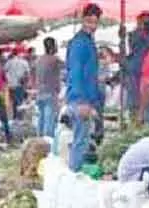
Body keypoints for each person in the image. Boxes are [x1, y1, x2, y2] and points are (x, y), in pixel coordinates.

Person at [65, 3, 103, 172]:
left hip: (86, 98)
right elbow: (76, 72)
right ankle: (73, 177)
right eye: (89, 22)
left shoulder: (88, 41)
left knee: (82, 140)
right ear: (83, 20)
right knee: (80, 141)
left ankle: (74, 175)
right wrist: (81, 101)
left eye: (95, 22)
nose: (92, 26)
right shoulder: (80, 43)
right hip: (80, 100)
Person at [124, 13, 149, 114]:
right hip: (139, 68)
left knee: (135, 97)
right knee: (137, 97)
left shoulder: (135, 35)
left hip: (137, 67)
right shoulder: (143, 36)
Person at [35, 37, 63, 139]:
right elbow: (68, 68)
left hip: (39, 92)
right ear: (52, 46)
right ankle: (48, 143)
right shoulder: (55, 60)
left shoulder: (39, 60)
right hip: (50, 93)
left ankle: (39, 141)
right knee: (49, 120)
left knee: (41, 120)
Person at [5, 50, 31, 120]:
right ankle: (20, 118)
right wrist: (27, 82)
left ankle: (14, 116)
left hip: (11, 85)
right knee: (20, 101)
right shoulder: (24, 62)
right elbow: (27, 73)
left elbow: (4, 71)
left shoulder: (9, 62)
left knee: (14, 102)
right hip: (20, 84)